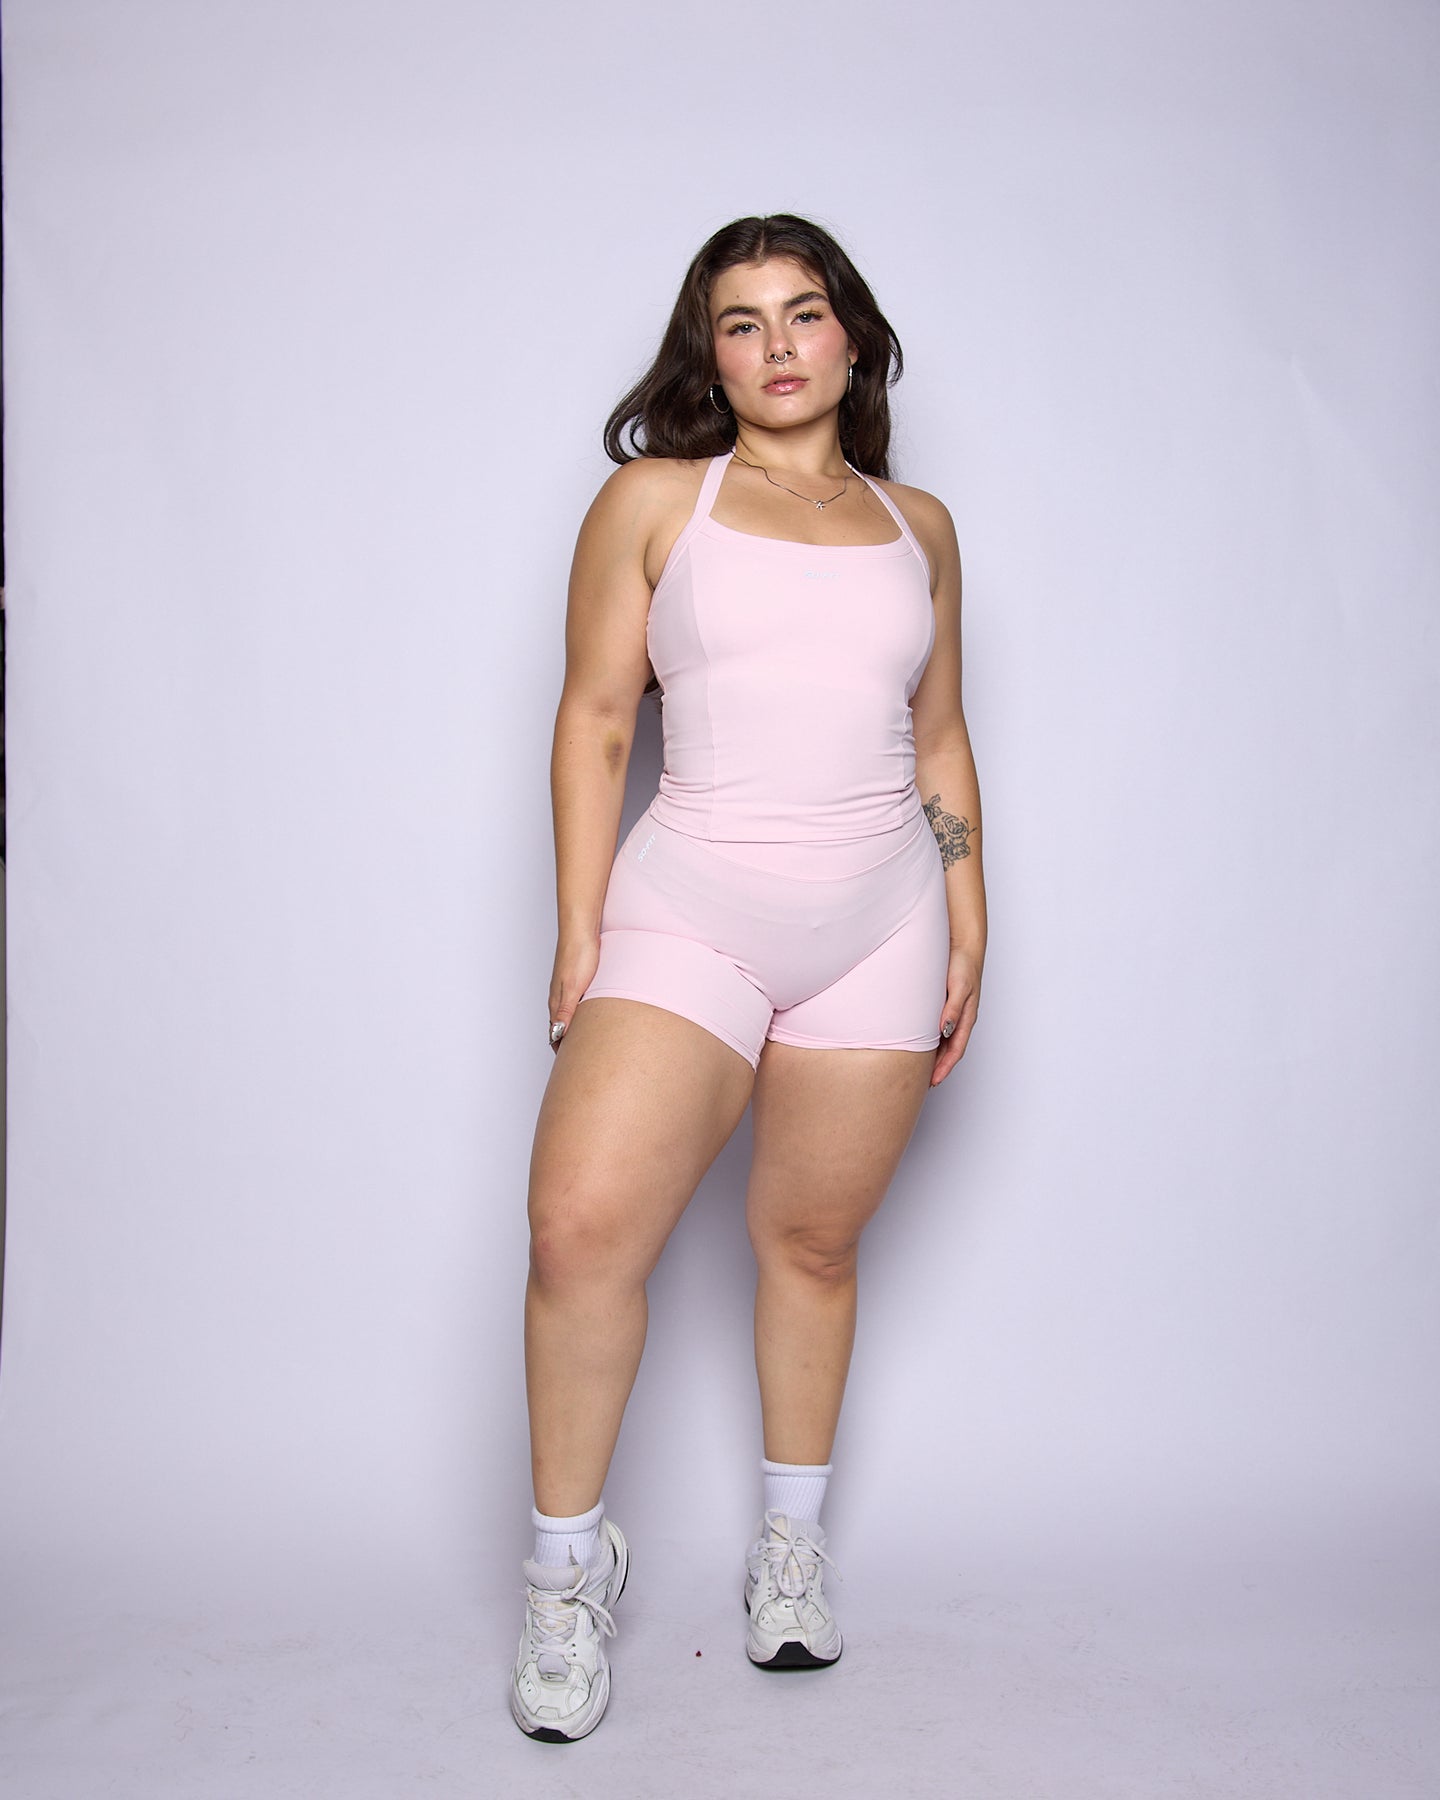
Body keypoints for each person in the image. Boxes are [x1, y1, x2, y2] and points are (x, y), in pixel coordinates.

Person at [509, 214, 986, 1743]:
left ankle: (790, 1551)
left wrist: (969, 910)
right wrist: (579, 929)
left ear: (854, 337)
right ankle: (565, 1577)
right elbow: (597, 718)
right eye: (740, 321)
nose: (778, 344)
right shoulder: (658, 500)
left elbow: (940, 736)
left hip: (881, 923)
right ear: (707, 356)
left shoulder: (922, 527)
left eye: (804, 311)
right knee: (582, 1232)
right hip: (692, 912)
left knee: (813, 1244)